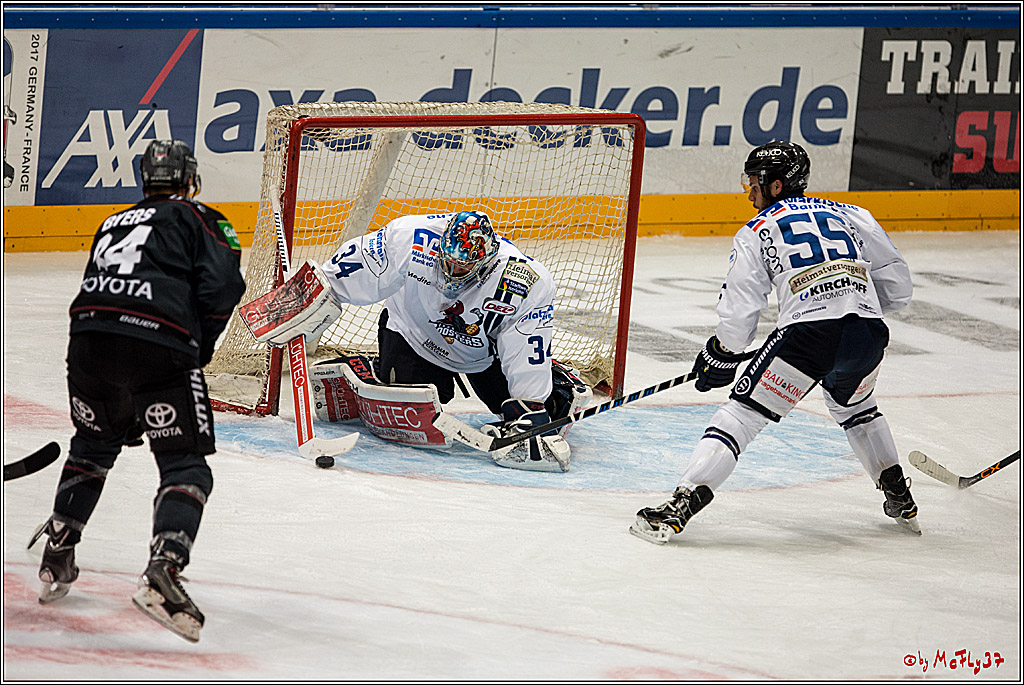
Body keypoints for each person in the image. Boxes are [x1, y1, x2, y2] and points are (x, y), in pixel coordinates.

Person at [629, 141, 918, 544]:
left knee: (741, 417)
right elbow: (898, 288)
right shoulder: (853, 214)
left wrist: (722, 353)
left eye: (754, 183)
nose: (749, 192)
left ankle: (681, 505)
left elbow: (740, 310)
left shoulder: (758, 230)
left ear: (776, 185)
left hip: (809, 338)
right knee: (858, 408)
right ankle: (898, 495)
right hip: (867, 335)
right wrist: (855, 303)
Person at [33, 139, 246, 642]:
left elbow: (97, 285)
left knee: (93, 444)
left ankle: (59, 547)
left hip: (87, 341)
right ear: (189, 178)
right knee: (185, 461)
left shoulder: (113, 222)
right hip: (157, 347)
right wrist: (197, 350)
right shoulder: (203, 219)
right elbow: (222, 290)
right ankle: (165, 570)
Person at [248, 210, 590, 472]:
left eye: (463, 269)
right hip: (413, 335)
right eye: (449, 263)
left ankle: (559, 379)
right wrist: (311, 295)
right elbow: (347, 272)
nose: (452, 273)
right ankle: (370, 369)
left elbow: (523, 345)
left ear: (485, 264)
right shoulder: (411, 237)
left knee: (552, 413)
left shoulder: (524, 281)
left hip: (484, 354)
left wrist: (530, 406)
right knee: (413, 423)